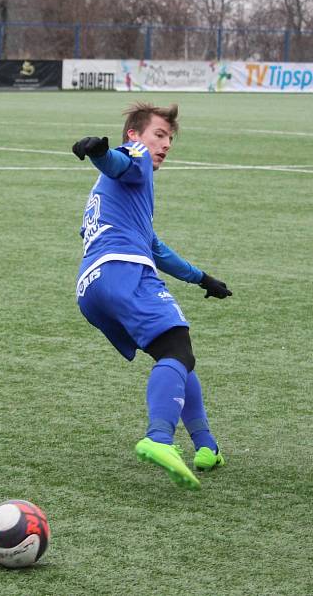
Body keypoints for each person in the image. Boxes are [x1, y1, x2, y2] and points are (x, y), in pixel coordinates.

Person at [72, 102, 231, 491]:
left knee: (174, 357)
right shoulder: (134, 157)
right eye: (159, 135)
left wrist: (201, 278)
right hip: (124, 271)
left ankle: (205, 444)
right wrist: (99, 152)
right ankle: (159, 438)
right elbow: (119, 162)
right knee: (178, 349)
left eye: (169, 139)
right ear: (135, 135)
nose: (165, 145)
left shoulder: (114, 195)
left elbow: (156, 248)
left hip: (91, 287)